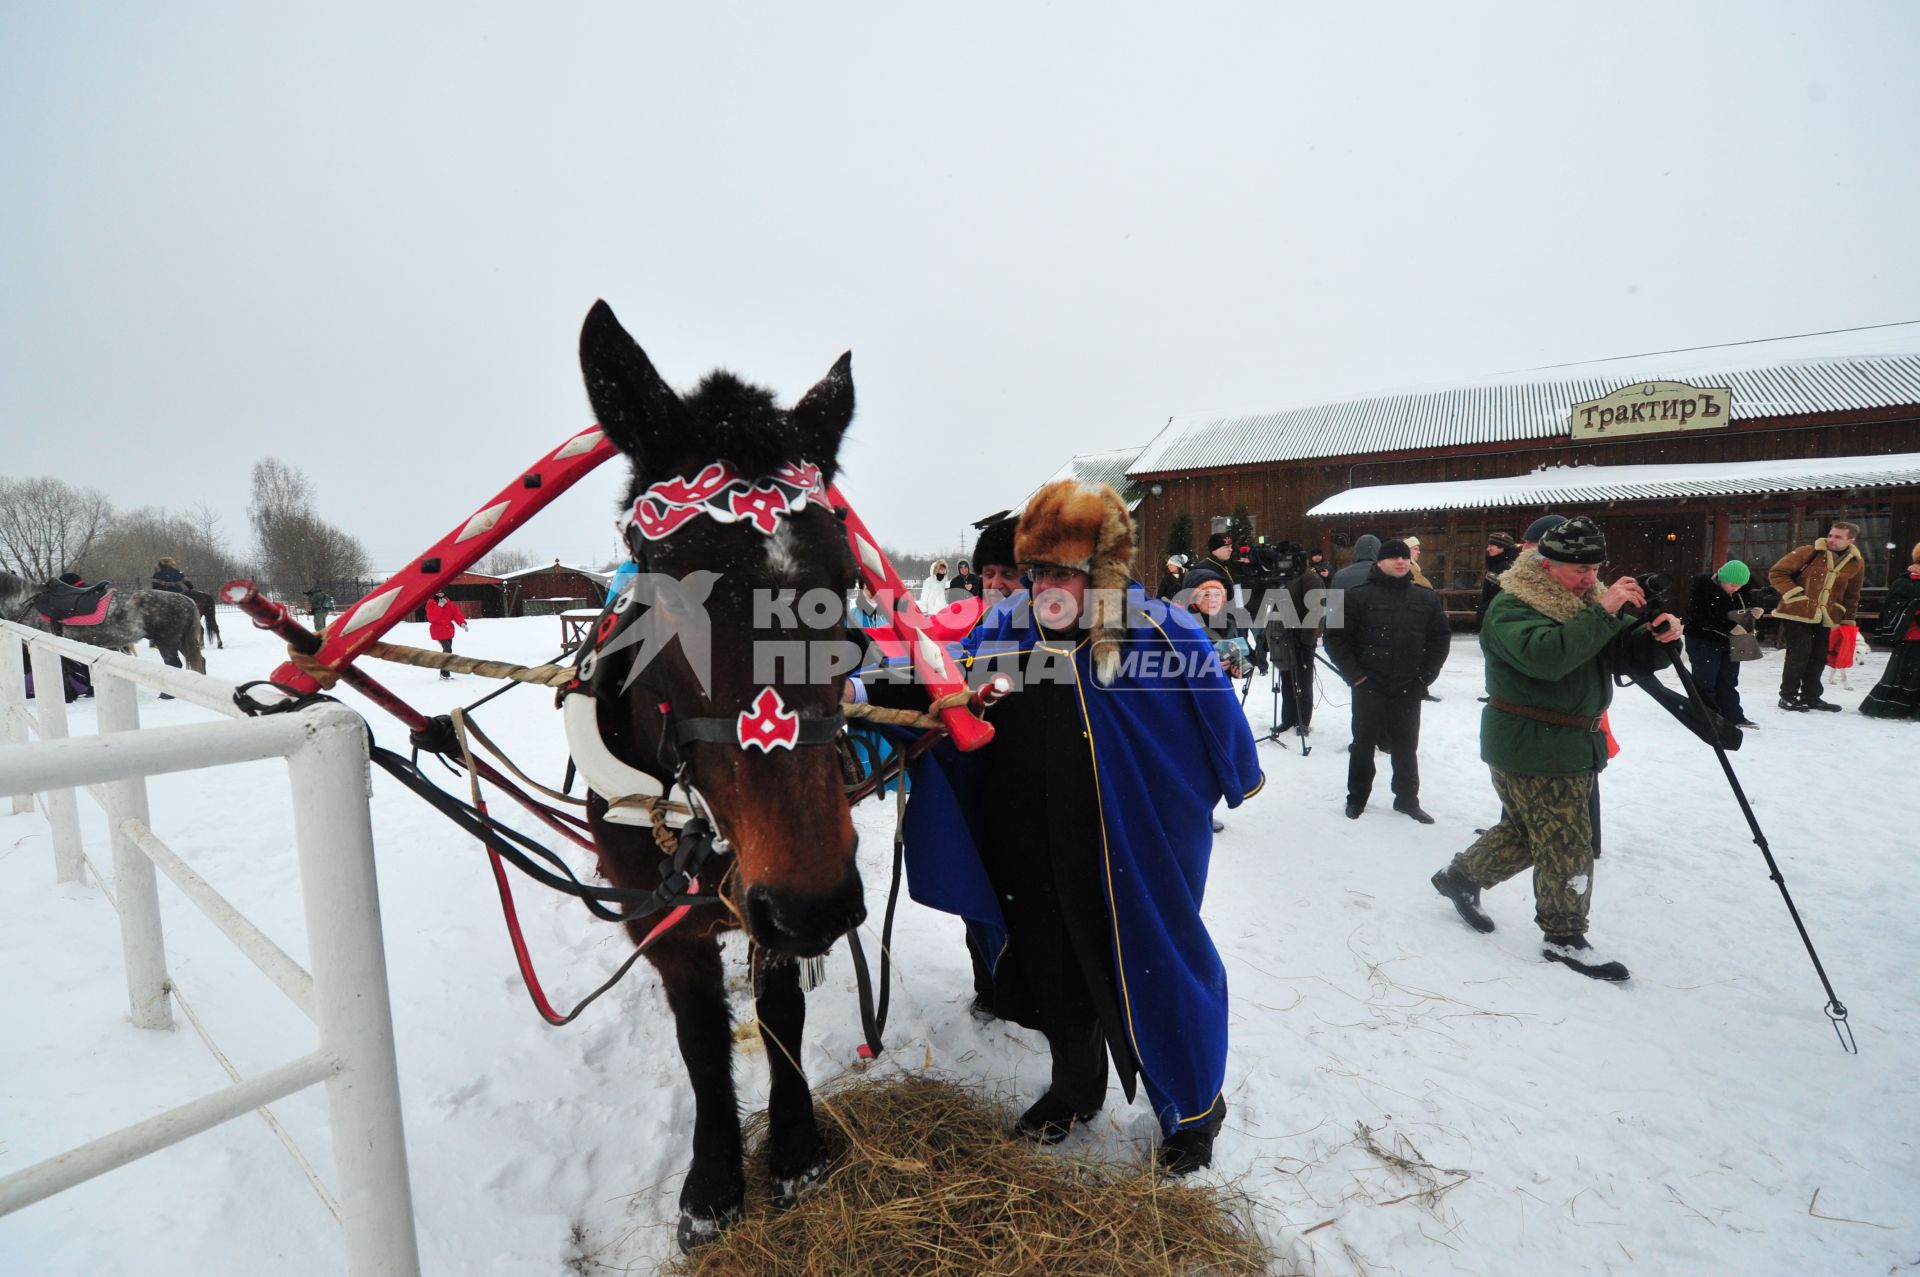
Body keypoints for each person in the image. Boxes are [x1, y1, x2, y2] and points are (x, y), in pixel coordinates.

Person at [891, 478, 1262, 1175]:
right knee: (1053, 970)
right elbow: (941, 679)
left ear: (1107, 570)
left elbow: (1223, 728)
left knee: (1160, 967)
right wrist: (858, 688)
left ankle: (1193, 1108)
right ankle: (1075, 1084)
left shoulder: (1161, 635)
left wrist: (1229, 778)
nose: (1047, 587)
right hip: (1033, 843)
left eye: (1066, 572)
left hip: (1131, 844)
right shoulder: (1004, 631)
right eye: (1037, 573)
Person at [1427, 517, 1683, 982]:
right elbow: (1548, 658)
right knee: (1566, 843)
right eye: (1577, 571)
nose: (1590, 579)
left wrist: (1660, 638)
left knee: (1528, 833)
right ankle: (1564, 938)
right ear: (1544, 565)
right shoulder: (1512, 607)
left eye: (1595, 569)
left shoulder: (1584, 602)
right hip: (1531, 741)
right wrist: (1603, 611)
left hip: (1569, 741)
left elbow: (1625, 651)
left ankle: (1460, 877)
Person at [1323, 538, 1450, 823]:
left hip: (1408, 685)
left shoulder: (1425, 598)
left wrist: (1425, 678)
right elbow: (1335, 639)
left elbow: (1440, 640)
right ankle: (1356, 799)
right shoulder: (1356, 596)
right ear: (1379, 562)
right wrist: (1355, 676)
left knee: (1406, 746)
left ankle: (1407, 800)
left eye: (1404, 557)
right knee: (1363, 744)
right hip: (1369, 683)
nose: (1400, 561)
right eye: (1393, 557)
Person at [1769, 521, 1864, 712]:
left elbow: (1853, 594)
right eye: (1830, 535)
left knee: (1819, 656)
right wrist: (1794, 594)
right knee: (1798, 655)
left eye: (1838, 537)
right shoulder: (1808, 551)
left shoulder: (1856, 562)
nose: (1831, 540)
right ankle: (1787, 696)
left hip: (1826, 615)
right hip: (1796, 613)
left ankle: (1811, 696)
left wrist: (1847, 620)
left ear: (1850, 540)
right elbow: (1777, 572)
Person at [1682, 561, 1762, 728]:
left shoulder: (1740, 591)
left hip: (1730, 642)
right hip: (1703, 640)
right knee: (1705, 680)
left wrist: (1753, 613)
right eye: (1732, 585)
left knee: (1728, 680)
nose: (1736, 588)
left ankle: (1733, 716)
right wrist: (1730, 627)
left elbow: (1741, 611)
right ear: (1721, 578)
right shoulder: (1702, 589)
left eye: (1740, 586)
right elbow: (1700, 617)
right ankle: (1706, 716)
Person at [1861, 542, 1920, 720]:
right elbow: (1892, 607)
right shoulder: (1906, 581)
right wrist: (1915, 608)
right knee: (1909, 673)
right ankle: (1900, 707)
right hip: (1913, 636)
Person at [1477, 532, 1520, 626]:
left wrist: (1488, 613)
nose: (1488, 549)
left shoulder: (1507, 566)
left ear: (1502, 547)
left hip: (1499, 619)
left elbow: (1502, 596)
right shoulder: (1497, 564)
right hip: (1493, 616)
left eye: (1492, 545)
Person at [426, 589, 468, 678]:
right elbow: (432, 618)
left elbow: (456, 614)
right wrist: (439, 606)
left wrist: (462, 623)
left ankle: (444, 673)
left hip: (448, 630)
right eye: (438, 592)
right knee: (448, 649)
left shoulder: (449, 603)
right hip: (437, 631)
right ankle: (444, 673)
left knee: (447, 652)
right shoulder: (431, 603)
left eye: (441, 592)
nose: (440, 594)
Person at [1826, 621, 1860, 690]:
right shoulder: (1849, 630)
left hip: (1838, 651)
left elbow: (1832, 640)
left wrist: (1830, 649)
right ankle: (1844, 683)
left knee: (1837, 665)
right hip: (1839, 651)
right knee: (1838, 666)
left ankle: (1833, 679)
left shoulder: (1841, 630)